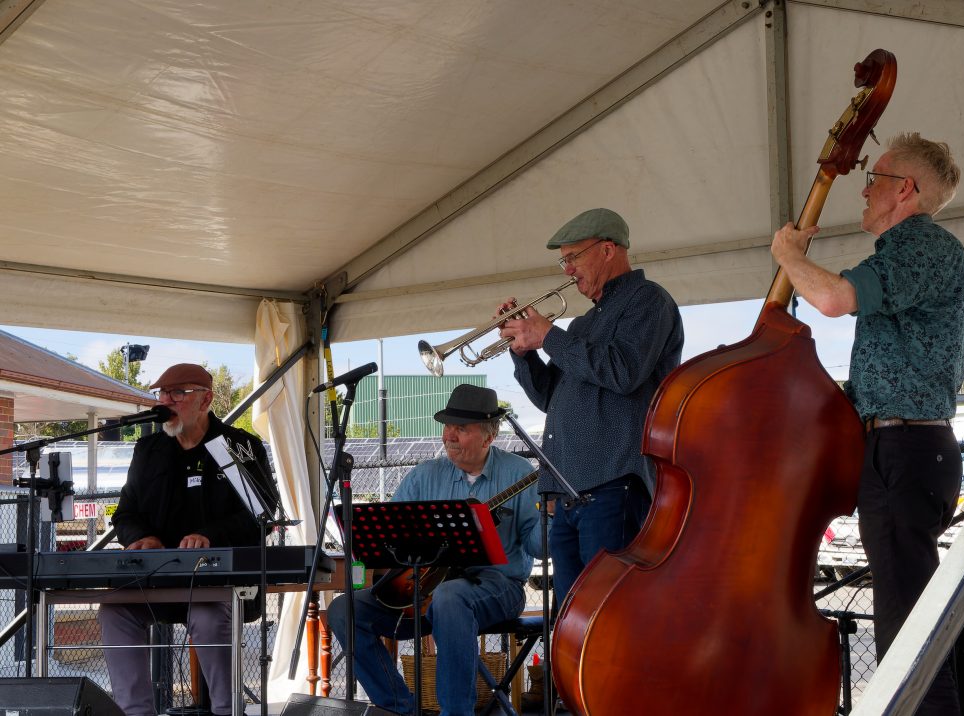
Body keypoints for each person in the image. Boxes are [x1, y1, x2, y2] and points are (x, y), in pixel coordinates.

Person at [771, 132, 964, 715]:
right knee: (905, 630)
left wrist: (789, 255)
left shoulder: (918, 245)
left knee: (907, 642)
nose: (864, 190)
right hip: (907, 448)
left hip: (904, 450)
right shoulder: (912, 254)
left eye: (874, 179)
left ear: (904, 190)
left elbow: (834, 299)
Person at [497, 207, 684, 607]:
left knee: (608, 610)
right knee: (571, 615)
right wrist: (523, 352)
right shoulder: (582, 326)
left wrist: (549, 335)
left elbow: (623, 371)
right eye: (564, 261)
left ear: (608, 250)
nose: (568, 270)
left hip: (614, 483)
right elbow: (550, 397)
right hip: (569, 490)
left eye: (573, 257)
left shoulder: (648, 301)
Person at [327, 384, 539, 716]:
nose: (449, 436)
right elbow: (389, 539)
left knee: (450, 597)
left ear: (490, 436)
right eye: (447, 426)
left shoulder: (521, 474)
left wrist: (552, 514)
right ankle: (400, 709)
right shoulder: (424, 476)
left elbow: (538, 547)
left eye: (461, 428)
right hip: (423, 587)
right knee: (343, 609)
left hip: (498, 587)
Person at [98, 363, 277, 716]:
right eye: (162, 393)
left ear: (205, 400)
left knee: (207, 617)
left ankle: (228, 711)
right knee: (115, 610)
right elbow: (124, 514)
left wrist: (209, 536)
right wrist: (143, 537)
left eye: (178, 393)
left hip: (219, 585)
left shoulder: (240, 446)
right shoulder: (148, 450)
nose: (166, 401)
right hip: (157, 581)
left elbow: (261, 514)